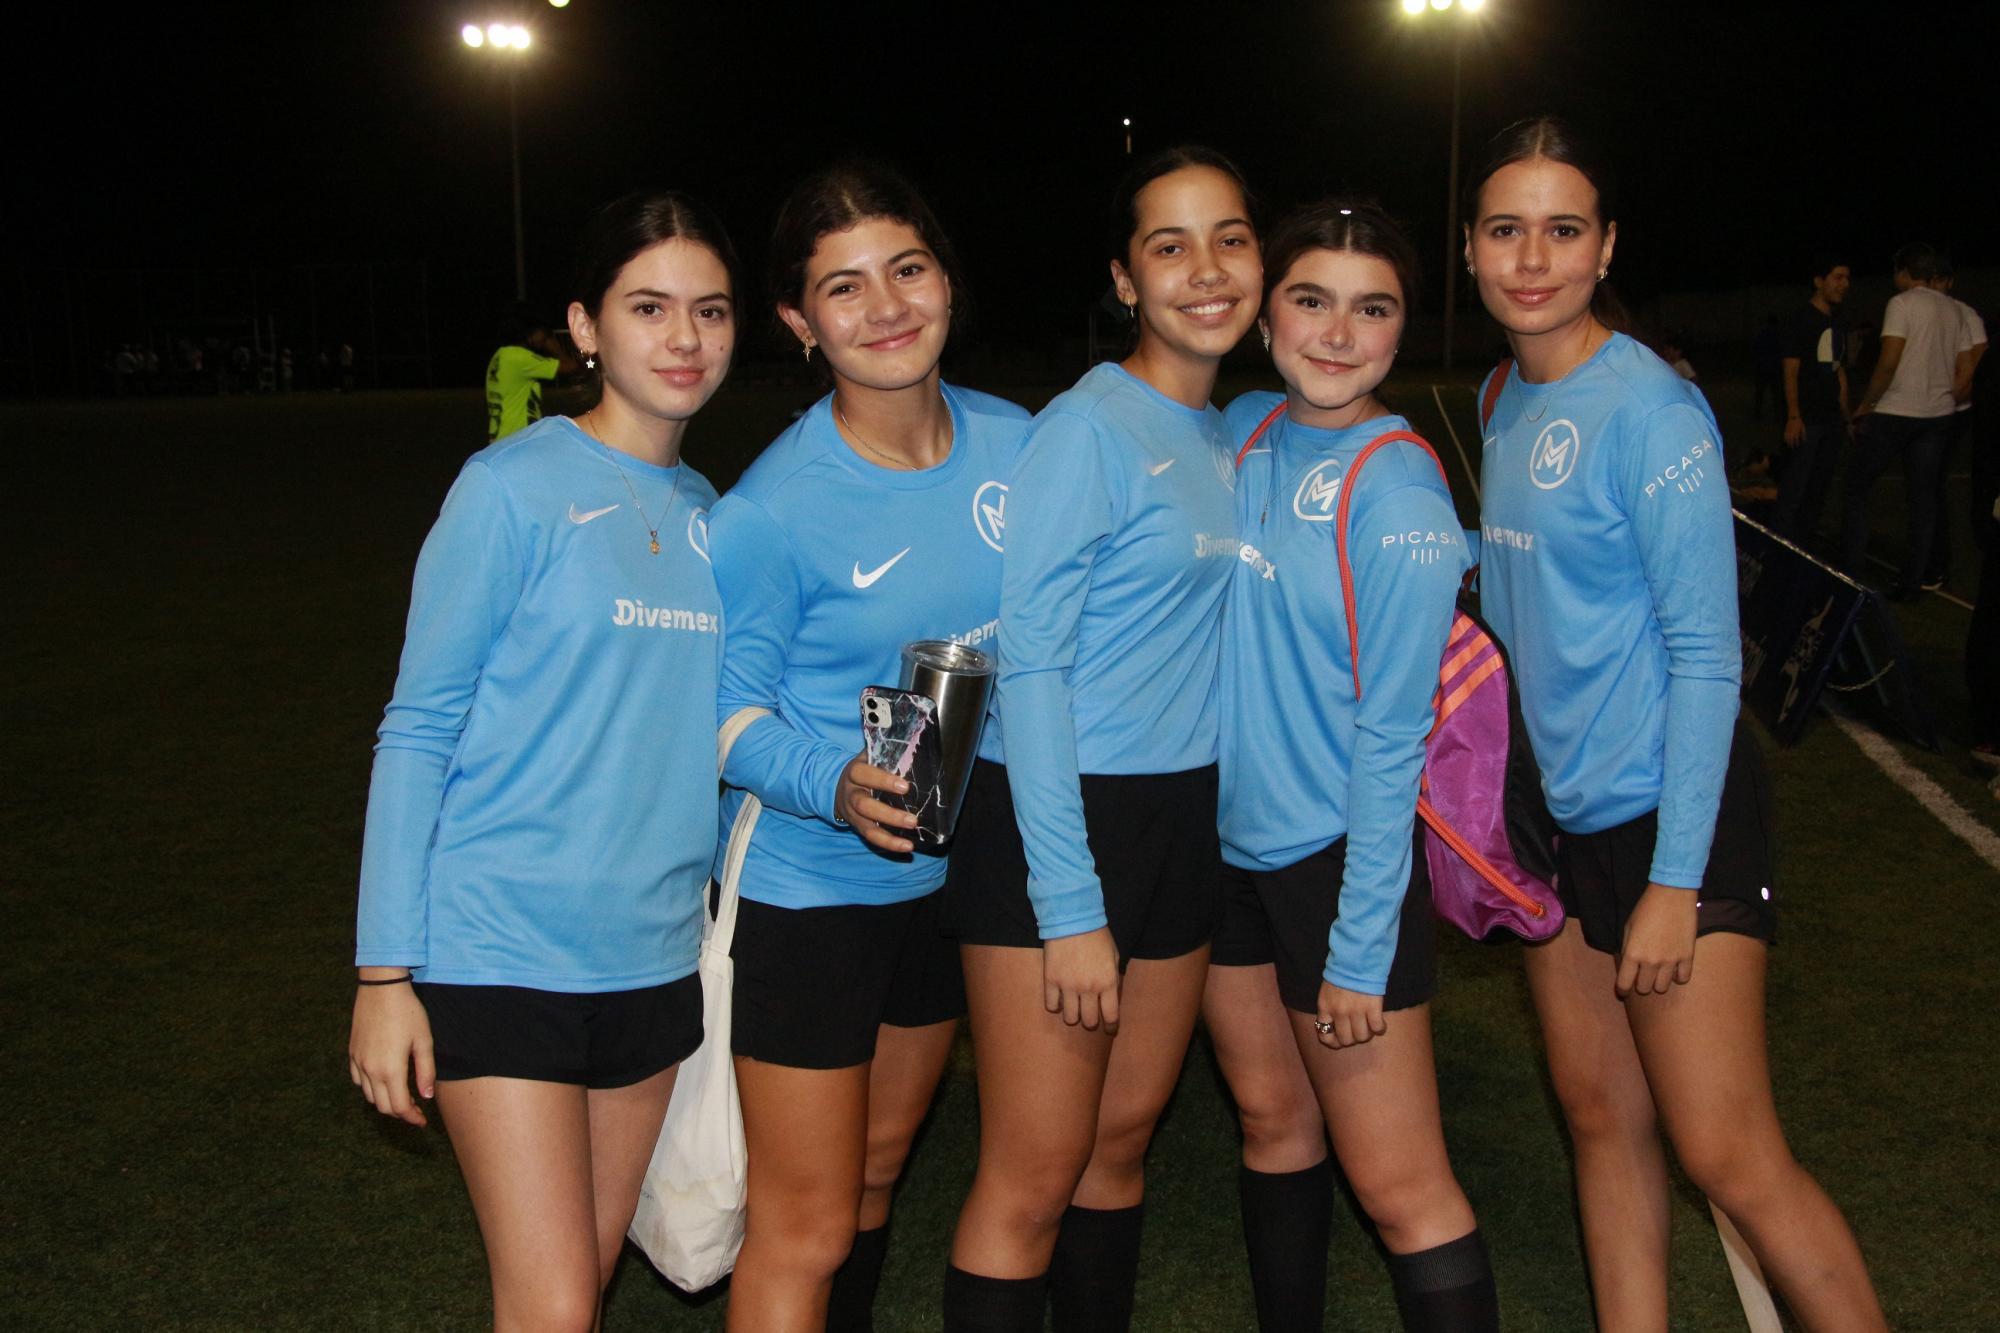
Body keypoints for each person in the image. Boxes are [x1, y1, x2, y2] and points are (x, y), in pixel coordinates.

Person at [1466, 115, 1886, 1332]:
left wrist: (1669, 878)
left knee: (1726, 1154)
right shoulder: (1498, 392)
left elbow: (1708, 657)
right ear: (1471, 248)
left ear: (1603, 248)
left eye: (1559, 230)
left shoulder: (1651, 413)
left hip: (1670, 813)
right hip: (1553, 823)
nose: (1529, 257)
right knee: (1599, 1117)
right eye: (1504, 229)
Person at [347, 190, 740, 1329]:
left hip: (653, 957)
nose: (682, 340)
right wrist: (384, 977)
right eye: (648, 307)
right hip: (500, 945)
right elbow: (416, 725)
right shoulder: (509, 487)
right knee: (554, 1302)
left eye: (708, 312)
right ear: (584, 327)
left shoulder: (715, 512)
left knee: (587, 1280)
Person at [706, 160, 1030, 1333]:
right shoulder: (770, 507)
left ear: (944, 279)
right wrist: (825, 782)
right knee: (802, 1224)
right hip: (810, 895)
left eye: (906, 269)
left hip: (952, 887)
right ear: (798, 322)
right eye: (843, 288)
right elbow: (719, 713)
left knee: (880, 1172)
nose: (885, 306)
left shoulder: (1019, 446)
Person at [941, 145, 1258, 1332]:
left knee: (1118, 1143)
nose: (1204, 269)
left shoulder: (1226, 429)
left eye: (1227, 238)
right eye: (1168, 247)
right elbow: (1032, 661)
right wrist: (1067, 904)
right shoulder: (1086, 428)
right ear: (1125, 280)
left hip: (1180, 816)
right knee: (1029, 1175)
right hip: (1057, 817)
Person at [1209, 199, 1499, 1332]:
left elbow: (1393, 741)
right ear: (1264, 311)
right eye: (1309, 299)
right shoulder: (1236, 427)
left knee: (1398, 1184)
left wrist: (1358, 949)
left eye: (1370, 307)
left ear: (1401, 326)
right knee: (1273, 1126)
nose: (1336, 333)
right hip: (1224, 855)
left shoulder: (1399, 491)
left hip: (1337, 863)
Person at [1841, 243, 1963, 599]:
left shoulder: (1902, 304)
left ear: (1906, 273)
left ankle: (1849, 574)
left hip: (1897, 412)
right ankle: (1912, 582)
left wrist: (1866, 404)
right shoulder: (1952, 308)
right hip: (1937, 414)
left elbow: (1889, 360)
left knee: (1856, 488)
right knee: (1923, 500)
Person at [1917, 259, 1988, 591]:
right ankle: (1926, 559)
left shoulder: (1963, 312)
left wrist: (1955, 395)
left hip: (1951, 410)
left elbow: (1978, 357)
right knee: (1927, 486)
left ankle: (1936, 564)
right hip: (1935, 409)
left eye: (1940, 280)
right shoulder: (1935, 310)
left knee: (1933, 486)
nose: (1935, 287)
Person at [1772, 257, 1852, 543]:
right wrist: (1794, 415)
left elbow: (1838, 370)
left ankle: (1805, 549)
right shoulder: (1800, 320)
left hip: (1831, 420)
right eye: (1838, 277)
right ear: (1819, 281)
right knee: (1795, 488)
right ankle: (1779, 549)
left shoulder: (1839, 321)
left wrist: (1847, 416)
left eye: (1846, 278)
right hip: (1808, 419)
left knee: (1819, 489)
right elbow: (1790, 370)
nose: (1844, 284)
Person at [485, 303, 570, 443]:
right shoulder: (520, 358)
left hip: (500, 438)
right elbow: (571, 367)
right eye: (544, 332)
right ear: (531, 332)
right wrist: (554, 346)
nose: (545, 337)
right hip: (517, 437)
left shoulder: (500, 355)